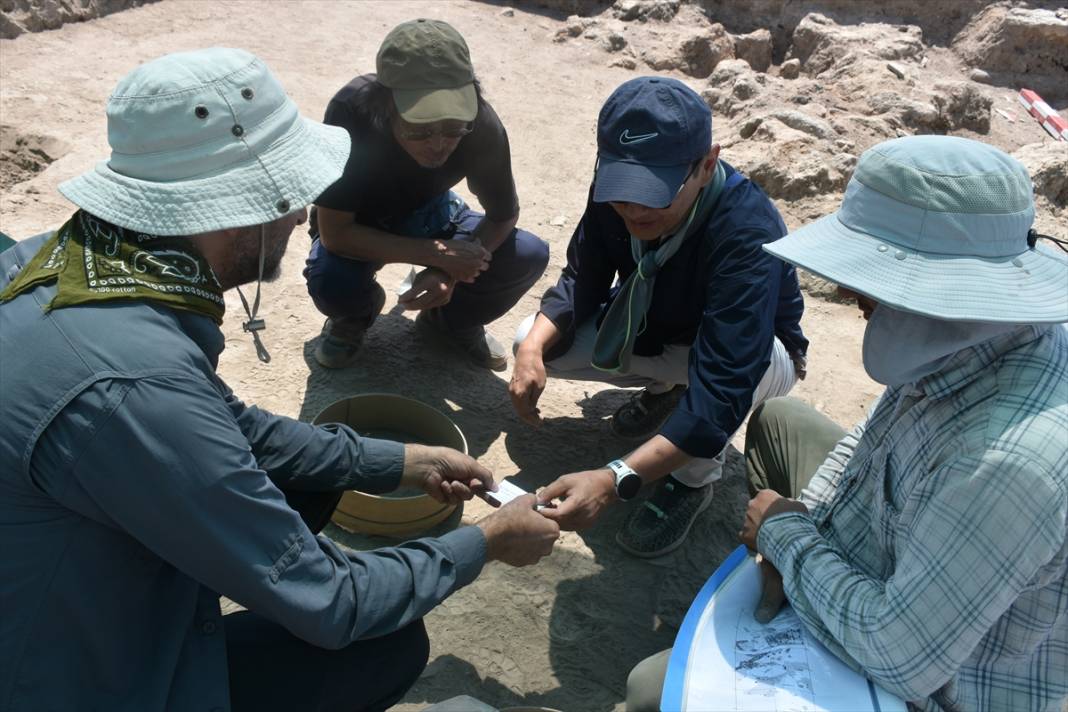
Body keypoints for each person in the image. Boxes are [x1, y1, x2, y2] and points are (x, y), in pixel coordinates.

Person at [0, 48, 560, 712]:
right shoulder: (133, 389)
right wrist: (486, 542)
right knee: (384, 646)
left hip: (68, 560)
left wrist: (396, 461)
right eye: (292, 196)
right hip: (82, 676)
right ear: (235, 204)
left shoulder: (73, 261)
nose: (301, 218)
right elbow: (333, 602)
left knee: (310, 479)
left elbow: (226, 425)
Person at [626, 135, 1068, 712]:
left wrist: (787, 541)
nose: (844, 290)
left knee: (648, 692)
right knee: (779, 421)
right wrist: (801, 531)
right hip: (906, 562)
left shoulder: (1009, 462)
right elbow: (870, 435)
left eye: (866, 277)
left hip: (929, 685)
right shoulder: (975, 334)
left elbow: (898, 656)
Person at [511, 76, 808, 557]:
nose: (633, 207)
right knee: (535, 336)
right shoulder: (616, 189)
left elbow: (724, 382)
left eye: (656, 190)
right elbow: (584, 275)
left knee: (722, 393)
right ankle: (667, 392)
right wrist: (530, 351)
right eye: (622, 188)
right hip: (659, 328)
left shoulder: (747, 230)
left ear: (707, 164)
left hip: (756, 353)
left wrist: (615, 478)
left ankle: (691, 482)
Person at [304, 18, 549, 371]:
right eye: (419, 130)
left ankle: (449, 323)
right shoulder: (352, 111)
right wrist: (440, 255)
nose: (438, 145)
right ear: (385, 106)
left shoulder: (479, 124)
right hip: (360, 218)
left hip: (432, 210)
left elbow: (503, 214)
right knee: (332, 280)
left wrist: (447, 272)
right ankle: (353, 317)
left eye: (453, 129)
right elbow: (336, 233)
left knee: (526, 254)